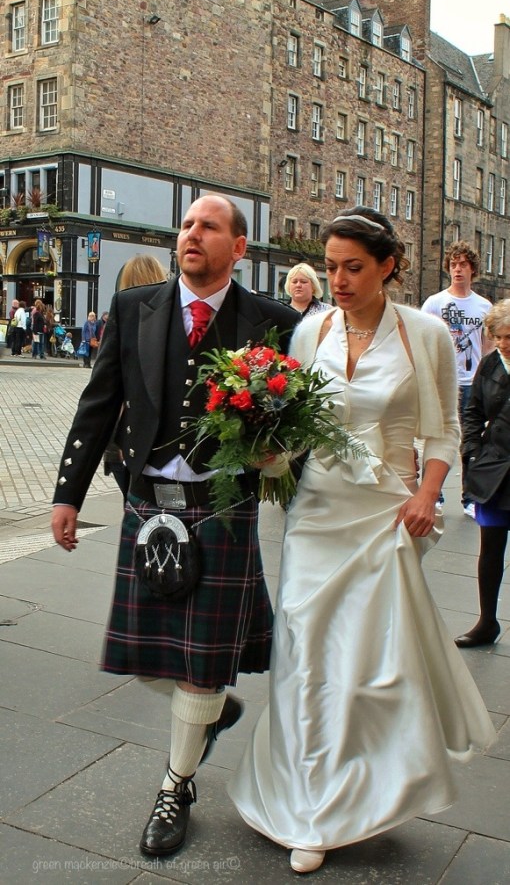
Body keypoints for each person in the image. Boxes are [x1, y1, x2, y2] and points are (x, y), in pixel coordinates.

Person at [228, 207, 495, 875]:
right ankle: (305, 802)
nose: (339, 281)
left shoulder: (425, 334)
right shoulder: (310, 330)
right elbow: (292, 426)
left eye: (353, 267)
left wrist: (429, 494)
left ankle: (359, 793)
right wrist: (266, 454)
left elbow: (444, 429)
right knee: (304, 652)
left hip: (384, 513)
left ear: (388, 267)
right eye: (331, 268)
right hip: (315, 513)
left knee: (368, 662)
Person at [51, 194, 299, 859]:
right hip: (147, 504)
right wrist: (67, 494)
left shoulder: (273, 322)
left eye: (208, 226)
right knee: (146, 658)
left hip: (221, 508)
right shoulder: (135, 307)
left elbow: (293, 424)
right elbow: (97, 406)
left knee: (201, 663)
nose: (191, 234)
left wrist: (280, 457)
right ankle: (212, 711)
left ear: (238, 248)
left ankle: (175, 784)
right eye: (187, 224)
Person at [422, 241, 492, 517]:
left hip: (472, 381)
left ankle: (470, 498)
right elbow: (424, 341)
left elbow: (488, 348)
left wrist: (485, 381)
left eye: (463, 264)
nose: (457, 269)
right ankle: (434, 494)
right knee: (437, 436)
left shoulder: (483, 306)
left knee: (471, 440)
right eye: (453, 264)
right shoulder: (435, 303)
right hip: (443, 382)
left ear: (472, 269)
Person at [455, 299, 510, 648]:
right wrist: (472, 451)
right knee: (490, 548)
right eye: (498, 336)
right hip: (495, 471)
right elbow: (472, 411)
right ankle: (487, 622)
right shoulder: (490, 364)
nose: (503, 343)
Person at [103, 255, 168, 501]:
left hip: (122, 436)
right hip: (154, 438)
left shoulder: (121, 320)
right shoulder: (167, 324)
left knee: (133, 506)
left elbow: (110, 388)